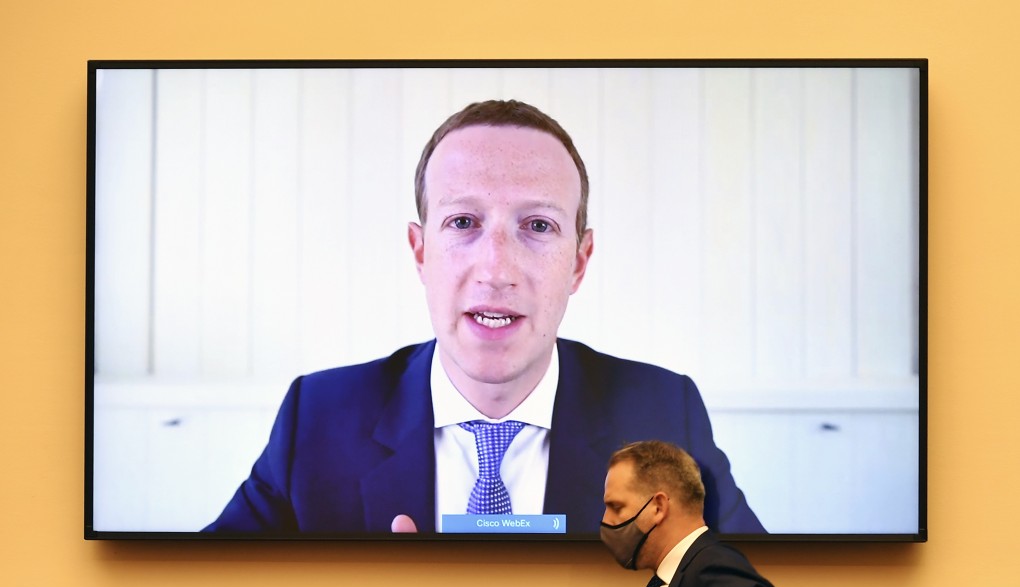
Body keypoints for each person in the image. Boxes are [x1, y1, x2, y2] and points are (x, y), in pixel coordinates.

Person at [205, 100, 764, 535]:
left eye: (538, 226)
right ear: (420, 252)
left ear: (580, 261)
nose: (496, 268)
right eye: (464, 222)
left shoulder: (665, 416)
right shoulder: (319, 419)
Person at [601, 440, 823, 587]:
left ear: (658, 507)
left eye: (616, 506)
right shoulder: (675, 578)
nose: (606, 520)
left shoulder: (714, 570)